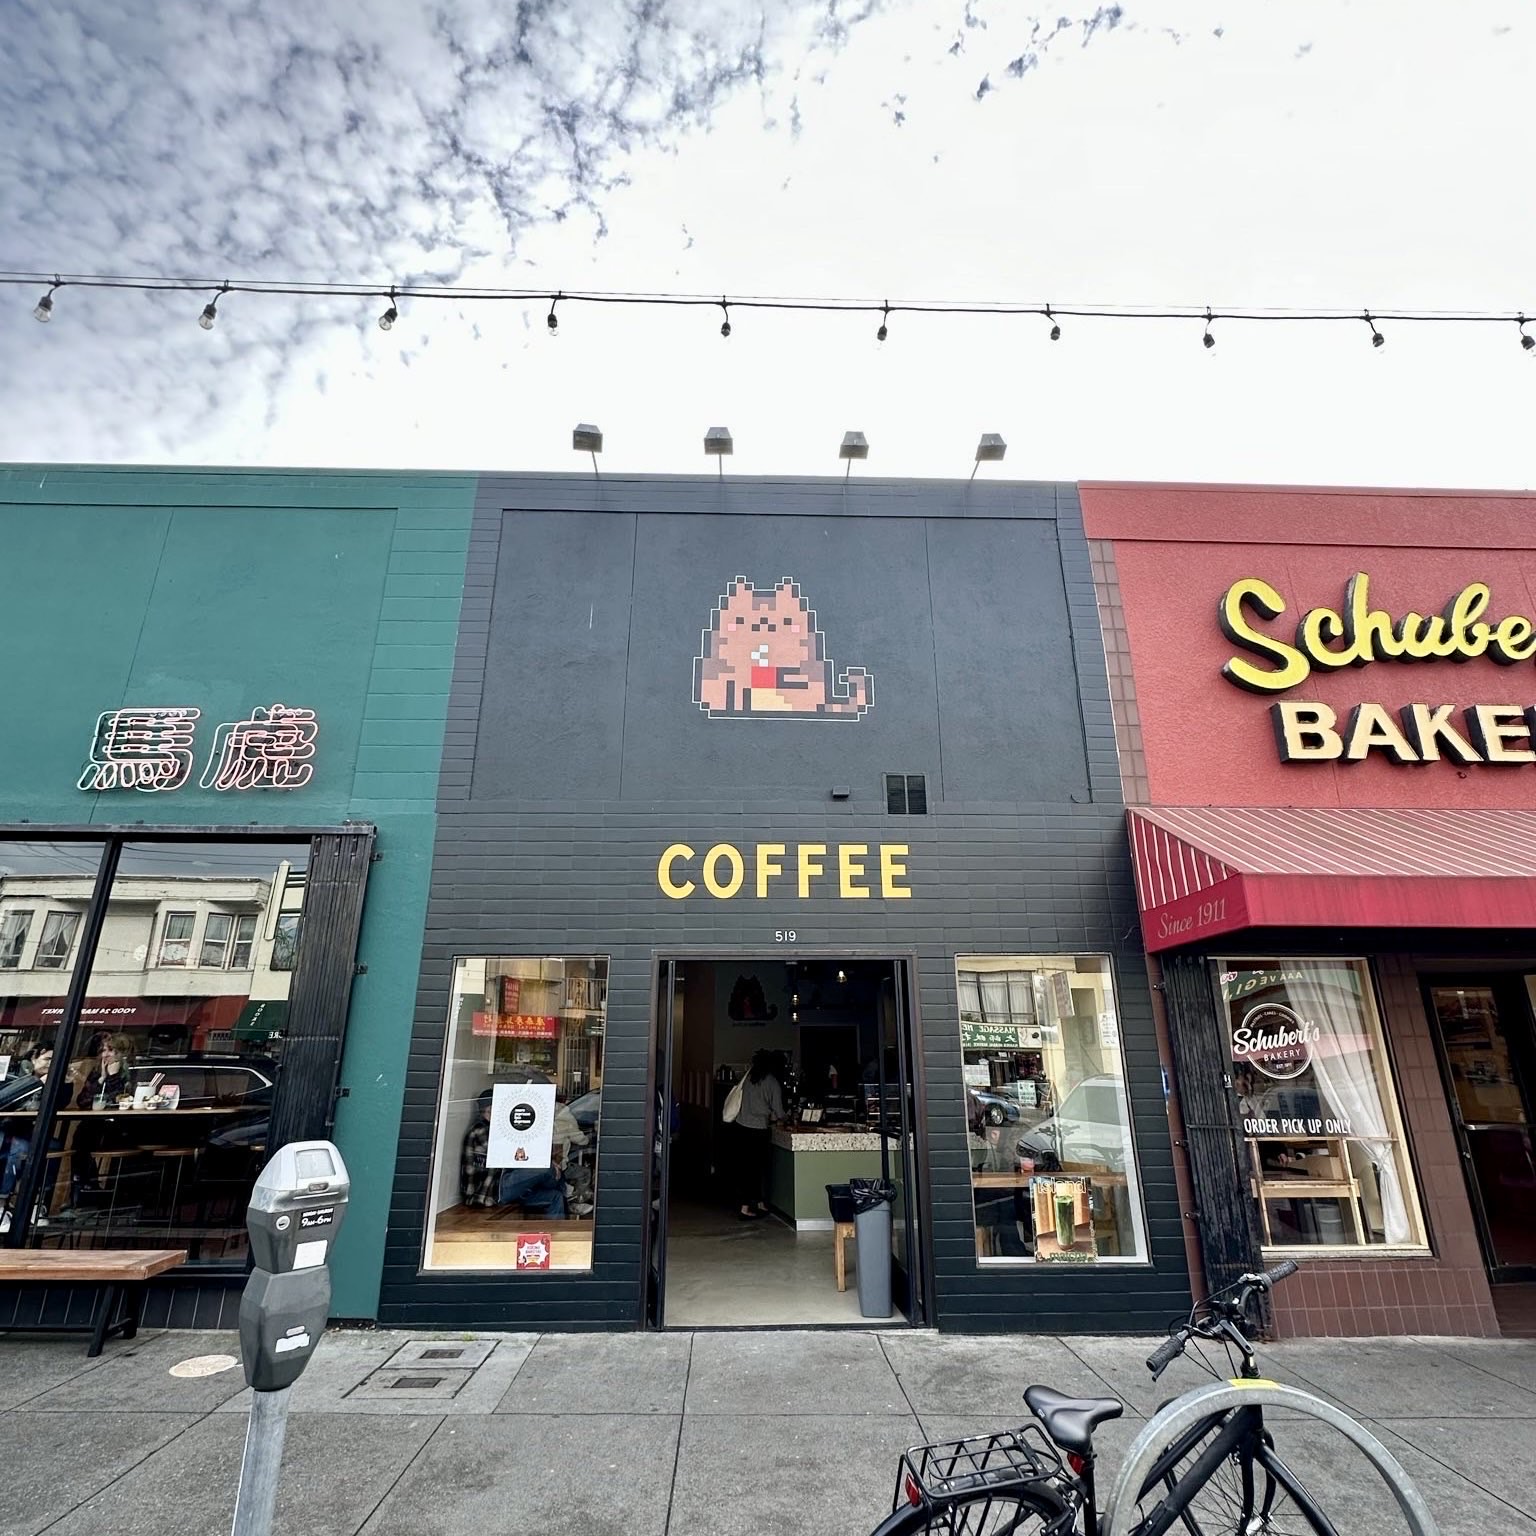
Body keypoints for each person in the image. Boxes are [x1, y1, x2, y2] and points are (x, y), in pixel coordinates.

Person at [460, 1083, 577, 1218]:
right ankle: (567, 1190)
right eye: (491, 1111)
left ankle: (557, 1236)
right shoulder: (481, 1130)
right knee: (545, 1168)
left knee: (555, 1197)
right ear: (483, 1112)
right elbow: (509, 1156)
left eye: (498, 1109)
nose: (496, 1114)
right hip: (492, 1191)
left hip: (507, 1186)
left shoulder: (499, 1128)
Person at [70, 1033, 137, 1197]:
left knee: (86, 1133)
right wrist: (101, 1080)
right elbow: (83, 1101)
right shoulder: (97, 1073)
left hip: (122, 1128)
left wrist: (113, 1078)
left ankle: (87, 1188)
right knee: (83, 1132)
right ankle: (82, 1189)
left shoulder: (133, 1073)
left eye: (111, 1050)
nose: (105, 1054)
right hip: (95, 1127)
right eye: (103, 1050)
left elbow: (117, 1101)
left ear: (123, 1053)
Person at [733, 1049, 785, 1220]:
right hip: (758, 1130)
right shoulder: (771, 1082)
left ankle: (746, 1205)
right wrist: (782, 1119)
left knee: (745, 1168)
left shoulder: (747, 1078)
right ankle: (756, 1204)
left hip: (741, 1127)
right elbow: (778, 1110)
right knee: (758, 1170)